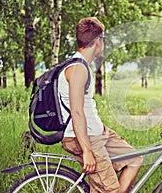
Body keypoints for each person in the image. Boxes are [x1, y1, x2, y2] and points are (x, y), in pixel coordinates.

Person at [59, 17, 143, 193]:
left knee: (135, 159)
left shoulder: (82, 66)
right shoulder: (77, 69)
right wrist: (87, 151)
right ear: (97, 41)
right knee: (109, 189)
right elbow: (76, 112)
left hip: (97, 132)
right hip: (85, 137)